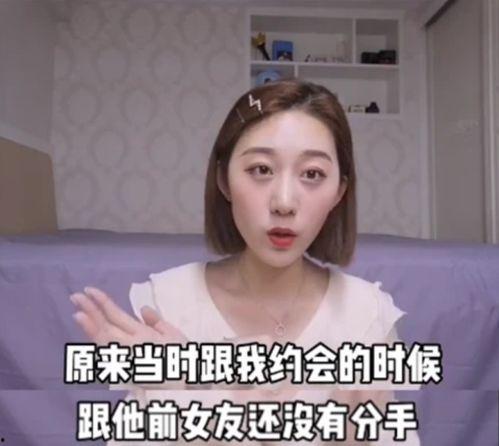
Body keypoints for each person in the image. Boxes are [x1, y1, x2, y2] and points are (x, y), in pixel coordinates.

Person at [70, 79, 420, 445]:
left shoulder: (366, 316)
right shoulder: (168, 303)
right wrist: (188, 396)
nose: (284, 202)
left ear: (339, 192)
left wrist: (350, 436)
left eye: (312, 174)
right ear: (223, 179)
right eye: (261, 169)